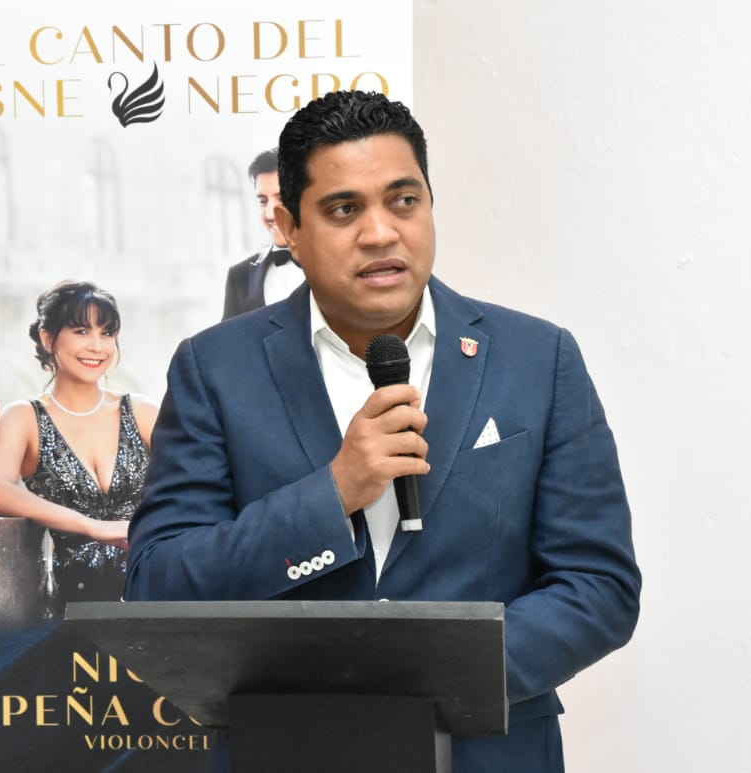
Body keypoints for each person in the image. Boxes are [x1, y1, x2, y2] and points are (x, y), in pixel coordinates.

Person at [126, 91, 640, 771]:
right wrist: (333, 493)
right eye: (344, 209)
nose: (380, 232)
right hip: (287, 753)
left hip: (489, 754)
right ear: (289, 227)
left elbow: (599, 585)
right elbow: (160, 582)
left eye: (403, 200)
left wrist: (436, 671)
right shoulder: (216, 368)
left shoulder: (538, 359)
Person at [0, 280, 157, 612]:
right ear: (48, 338)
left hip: (154, 594)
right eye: (81, 331)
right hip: (75, 610)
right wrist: (91, 526)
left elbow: (193, 483)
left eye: (107, 333)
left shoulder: (142, 412)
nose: (97, 346)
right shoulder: (24, 418)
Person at [221, 148, 306, 319]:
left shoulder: (343, 263)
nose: (270, 214)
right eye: (263, 201)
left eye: (282, 198)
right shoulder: (240, 278)